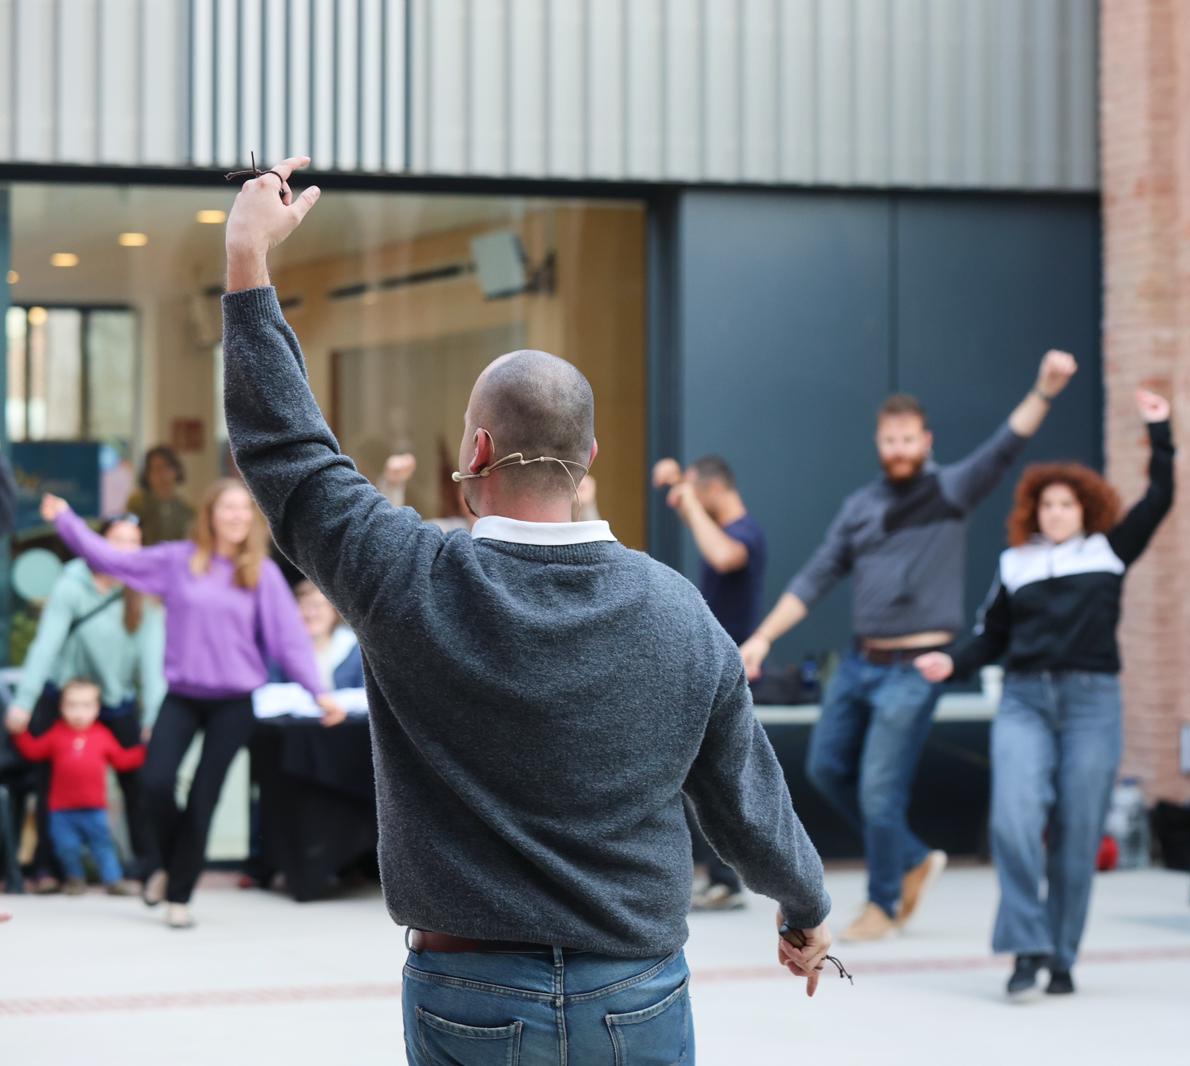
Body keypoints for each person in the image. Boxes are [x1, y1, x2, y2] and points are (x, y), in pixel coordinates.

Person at [221, 156, 834, 1064]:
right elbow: (746, 801)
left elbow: (288, 455)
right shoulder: (681, 612)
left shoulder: (407, 576)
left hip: (466, 992)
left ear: (477, 449)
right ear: (587, 457)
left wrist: (247, 263)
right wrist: (805, 907)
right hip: (637, 993)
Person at [740, 351, 1076, 942]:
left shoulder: (950, 490)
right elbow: (815, 577)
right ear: (879, 442)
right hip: (861, 662)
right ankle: (916, 857)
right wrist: (763, 637)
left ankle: (884, 904)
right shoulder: (860, 508)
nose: (897, 448)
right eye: (888, 439)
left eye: (907, 439)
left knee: (879, 786)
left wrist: (1044, 391)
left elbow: (1005, 445)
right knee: (824, 766)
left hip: (915, 669)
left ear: (926, 440)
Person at [916, 389, 1174, 997]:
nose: (1057, 513)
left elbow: (1160, 498)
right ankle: (1025, 947)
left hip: (1092, 705)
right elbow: (990, 639)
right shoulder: (1015, 565)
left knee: (1079, 830)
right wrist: (948, 663)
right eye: (1048, 505)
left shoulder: (1109, 552)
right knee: (1012, 820)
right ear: (1035, 511)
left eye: (1068, 504)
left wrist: (1160, 432)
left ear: (1087, 509)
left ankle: (1060, 955)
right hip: (1025, 702)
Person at [40, 478, 339, 930]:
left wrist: (319, 693)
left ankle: (177, 894)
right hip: (182, 696)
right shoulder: (177, 562)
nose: (238, 516)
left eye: (245, 508)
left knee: (203, 798)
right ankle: (166, 862)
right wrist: (65, 519)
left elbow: (289, 640)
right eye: (228, 507)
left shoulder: (260, 573)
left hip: (234, 703)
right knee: (156, 782)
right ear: (210, 514)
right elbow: (110, 559)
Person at [5, 514, 166, 891]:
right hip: (64, 696)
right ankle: (47, 870)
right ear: (97, 543)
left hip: (115, 700)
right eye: (118, 539)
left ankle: (147, 867)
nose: (126, 548)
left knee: (138, 783)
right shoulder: (73, 583)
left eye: (134, 541)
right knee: (50, 782)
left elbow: (152, 662)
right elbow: (46, 644)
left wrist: (154, 716)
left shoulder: (144, 588)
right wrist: (24, 702)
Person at [654, 454, 769, 910]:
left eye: (698, 495)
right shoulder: (723, 524)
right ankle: (722, 877)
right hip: (712, 669)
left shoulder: (746, 533)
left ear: (715, 490)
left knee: (720, 777)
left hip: (732, 670)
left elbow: (721, 556)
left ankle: (729, 879)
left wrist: (690, 503)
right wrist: (684, 493)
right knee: (698, 775)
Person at [5, 678, 147, 895]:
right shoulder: (56, 734)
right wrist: (19, 732)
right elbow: (34, 750)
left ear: (97, 708)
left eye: (86, 705)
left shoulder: (102, 735)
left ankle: (113, 880)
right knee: (66, 848)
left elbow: (122, 759)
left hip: (95, 809)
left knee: (103, 845)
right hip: (61, 810)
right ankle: (74, 879)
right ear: (61, 707)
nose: (79, 712)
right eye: (72, 705)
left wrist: (145, 749)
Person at [126, 446, 195, 546]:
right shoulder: (137, 503)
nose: (162, 475)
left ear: (176, 471)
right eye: (156, 469)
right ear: (147, 475)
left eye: (167, 467)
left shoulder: (188, 509)